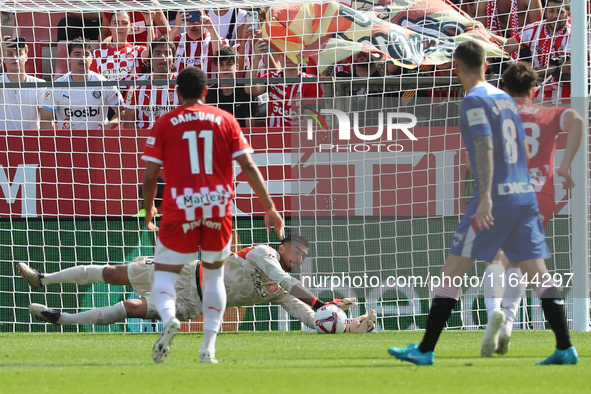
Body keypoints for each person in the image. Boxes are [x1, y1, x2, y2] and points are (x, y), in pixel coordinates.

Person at [387, 41, 577, 366]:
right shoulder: (504, 99)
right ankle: (565, 348)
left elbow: (484, 145)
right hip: (524, 194)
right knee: (539, 274)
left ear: (456, 68)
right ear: (487, 64)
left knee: (453, 272)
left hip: (496, 197)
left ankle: (425, 350)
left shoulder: (474, 100)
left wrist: (485, 195)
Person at [141, 67, 284, 364]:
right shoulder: (225, 119)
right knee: (214, 277)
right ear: (206, 91)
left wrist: (150, 205)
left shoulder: (165, 122)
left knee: (165, 276)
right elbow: (248, 166)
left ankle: (169, 318)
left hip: (180, 206)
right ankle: (209, 347)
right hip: (218, 206)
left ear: (177, 92)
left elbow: (151, 176)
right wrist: (269, 207)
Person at [20, 236, 377, 334]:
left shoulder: (280, 293)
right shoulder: (263, 253)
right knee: (115, 272)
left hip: (192, 304)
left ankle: (62, 319)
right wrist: (320, 302)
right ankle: (44, 279)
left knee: (129, 308)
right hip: (184, 272)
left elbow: (307, 316)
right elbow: (286, 280)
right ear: (282, 248)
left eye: (303, 256)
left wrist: (345, 326)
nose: (298, 258)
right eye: (296, 250)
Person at [478, 61, 583, 357]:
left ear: (504, 89)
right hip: (542, 194)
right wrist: (564, 166)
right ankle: (509, 321)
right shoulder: (549, 113)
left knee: (497, 257)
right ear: (534, 89)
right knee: (522, 261)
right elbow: (577, 121)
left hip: (508, 191)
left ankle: (495, 313)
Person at [493, 0, 573, 101]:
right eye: (551, 11)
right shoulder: (534, 29)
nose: (555, 16)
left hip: (568, 98)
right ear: (545, 12)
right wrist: (484, 34)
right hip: (539, 96)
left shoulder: (575, 33)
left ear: (568, 14)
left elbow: (566, 67)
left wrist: (530, 72)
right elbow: (507, 46)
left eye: (560, 12)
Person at [40, 38, 123, 130]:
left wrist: (110, 125)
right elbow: (46, 119)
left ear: (92, 58)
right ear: (69, 59)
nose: (82, 58)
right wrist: (58, 140)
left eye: (86, 55)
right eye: (77, 54)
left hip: (98, 139)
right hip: (69, 140)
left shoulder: (104, 84)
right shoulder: (57, 86)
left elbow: (122, 110)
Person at [123, 37, 178, 130]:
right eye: (158, 53)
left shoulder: (184, 85)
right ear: (150, 59)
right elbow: (129, 122)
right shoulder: (137, 85)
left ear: (173, 59)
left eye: (167, 53)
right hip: (145, 140)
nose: (163, 57)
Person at [0, 36, 53, 130]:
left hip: (30, 141)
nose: (15, 57)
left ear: (26, 57)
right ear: (3, 58)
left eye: (19, 53)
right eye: (10, 54)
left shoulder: (40, 84)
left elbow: (46, 120)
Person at [206, 46, 259, 127]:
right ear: (216, 69)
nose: (225, 68)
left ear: (237, 67)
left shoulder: (247, 91)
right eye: (221, 65)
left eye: (229, 64)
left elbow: (251, 130)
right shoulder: (209, 94)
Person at [91, 12, 148, 82]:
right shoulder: (97, 54)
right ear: (109, 26)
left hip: (131, 92)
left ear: (130, 26)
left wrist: (149, 22)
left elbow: (151, 53)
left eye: (124, 23)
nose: (120, 27)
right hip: (107, 92)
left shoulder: (137, 50)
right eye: (116, 23)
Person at [169, 10, 223, 76]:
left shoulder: (214, 40)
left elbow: (222, 57)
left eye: (197, 15)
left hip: (208, 85)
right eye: (189, 15)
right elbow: (161, 48)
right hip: (179, 85)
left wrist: (211, 27)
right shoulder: (176, 39)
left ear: (207, 17)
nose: (194, 22)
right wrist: (177, 27)